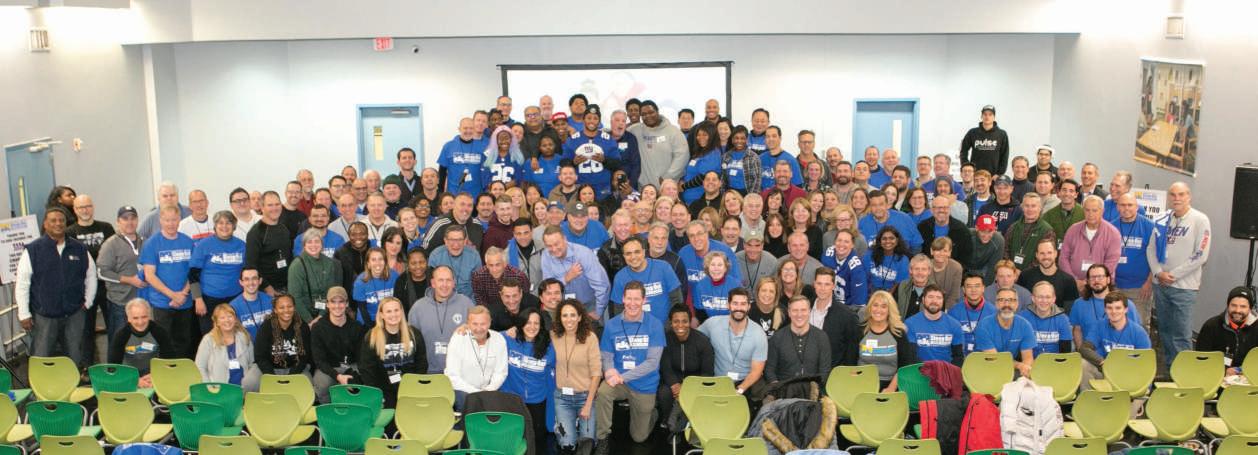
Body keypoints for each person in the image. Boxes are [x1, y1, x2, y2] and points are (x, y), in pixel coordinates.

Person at [16, 207, 97, 367]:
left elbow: (91, 276)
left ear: (66, 223)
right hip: (44, 315)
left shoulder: (80, 249)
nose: (58, 224)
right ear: (45, 224)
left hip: (74, 313)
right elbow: (22, 283)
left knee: (74, 357)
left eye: (61, 220)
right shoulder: (33, 250)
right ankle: (40, 384)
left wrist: (88, 302)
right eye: (53, 220)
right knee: (42, 358)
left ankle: (74, 382)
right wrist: (23, 313)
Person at [594, 281, 666, 452]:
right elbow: (606, 354)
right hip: (619, 382)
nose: (632, 303)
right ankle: (602, 437)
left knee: (639, 437)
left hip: (644, 384)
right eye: (629, 299)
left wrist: (622, 376)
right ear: (623, 299)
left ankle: (653, 413)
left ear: (644, 300)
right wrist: (609, 370)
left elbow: (652, 363)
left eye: (637, 299)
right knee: (603, 392)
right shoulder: (612, 324)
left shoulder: (655, 325)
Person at [1150, 182, 1211, 369]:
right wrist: (1159, 273)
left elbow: (1201, 255)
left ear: (1189, 196)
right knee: (1165, 331)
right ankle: (1170, 370)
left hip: (1184, 288)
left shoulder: (1200, 220)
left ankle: (1184, 375)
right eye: (1173, 194)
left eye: (1181, 194)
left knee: (1182, 335)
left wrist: (1172, 275)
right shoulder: (1162, 219)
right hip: (1161, 285)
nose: (1177, 198)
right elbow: (1150, 249)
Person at [140, 204, 198, 358]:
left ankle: (182, 370)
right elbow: (149, 275)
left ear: (179, 220)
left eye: (174, 220)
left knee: (184, 342)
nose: (171, 224)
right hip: (162, 303)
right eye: (167, 220)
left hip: (185, 302)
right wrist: (173, 295)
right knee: (163, 342)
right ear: (161, 220)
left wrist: (183, 294)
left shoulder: (188, 242)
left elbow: (193, 272)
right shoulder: (152, 243)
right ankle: (165, 370)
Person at [67, 194, 115, 361]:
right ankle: (87, 365)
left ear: (93, 207)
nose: (85, 210)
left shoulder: (106, 228)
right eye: (80, 207)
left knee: (114, 327)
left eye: (87, 206)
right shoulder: (70, 232)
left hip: (107, 286)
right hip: (85, 288)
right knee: (86, 329)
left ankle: (115, 363)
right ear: (75, 210)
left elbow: (114, 254)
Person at [698, 287, 768, 401]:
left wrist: (739, 390)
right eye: (735, 303)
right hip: (717, 382)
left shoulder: (758, 334)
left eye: (743, 304)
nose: (739, 308)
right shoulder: (712, 324)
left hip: (745, 384)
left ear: (749, 306)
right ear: (728, 305)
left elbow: (756, 371)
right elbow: (694, 339)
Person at [551, 299, 602, 452]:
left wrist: (588, 404)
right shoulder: (553, 336)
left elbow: (596, 373)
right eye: (564, 315)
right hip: (562, 398)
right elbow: (530, 334)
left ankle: (583, 426)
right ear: (560, 318)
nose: (569, 319)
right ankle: (564, 426)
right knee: (567, 444)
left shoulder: (590, 338)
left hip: (585, 397)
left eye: (573, 315)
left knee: (587, 443)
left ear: (580, 317)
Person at [499, 308, 553, 451]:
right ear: (521, 324)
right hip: (512, 399)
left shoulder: (549, 346)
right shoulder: (508, 339)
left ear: (541, 326)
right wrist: (465, 327)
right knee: (512, 438)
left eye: (536, 323)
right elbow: (484, 333)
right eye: (528, 322)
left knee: (538, 438)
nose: (532, 327)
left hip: (537, 400)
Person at [360, 297, 427, 407]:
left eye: (396, 310)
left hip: (411, 390)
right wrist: (376, 395)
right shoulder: (372, 337)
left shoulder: (414, 334)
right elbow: (367, 370)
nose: (393, 314)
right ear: (381, 315)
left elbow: (422, 363)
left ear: (401, 312)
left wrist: (416, 388)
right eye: (389, 311)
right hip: (384, 392)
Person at [188, 211, 246, 335]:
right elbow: (193, 274)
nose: (224, 226)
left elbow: (246, 272)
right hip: (209, 300)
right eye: (220, 223)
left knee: (234, 334)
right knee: (211, 337)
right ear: (215, 225)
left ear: (234, 226)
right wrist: (198, 299)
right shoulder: (203, 245)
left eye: (228, 223)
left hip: (235, 299)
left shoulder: (242, 245)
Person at [96, 205, 147, 347]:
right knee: (118, 342)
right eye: (125, 219)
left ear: (137, 220)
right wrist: (129, 280)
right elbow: (101, 272)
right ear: (118, 222)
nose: (130, 222)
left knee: (141, 343)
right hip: (120, 303)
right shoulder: (111, 244)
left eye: (133, 218)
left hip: (143, 301)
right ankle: (116, 363)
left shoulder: (145, 241)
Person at [408, 266, 474, 373]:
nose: (444, 284)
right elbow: (411, 343)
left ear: (454, 283)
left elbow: (478, 335)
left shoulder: (466, 304)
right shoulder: (418, 308)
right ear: (433, 283)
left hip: (460, 372)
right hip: (427, 372)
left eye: (448, 280)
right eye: (440, 280)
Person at [659, 304, 714, 425]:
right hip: (674, 380)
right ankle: (668, 421)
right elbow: (665, 367)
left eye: (684, 321)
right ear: (671, 323)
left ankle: (692, 421)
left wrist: (688, 386)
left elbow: (707, 372)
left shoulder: (702, 341)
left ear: (690, 322)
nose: (680, 325)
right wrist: (674, 385)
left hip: (695, 381)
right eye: (676, 321)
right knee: (664, 393)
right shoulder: (665, 339)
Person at [1080, 292, 1152, 386]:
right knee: (1083, 364)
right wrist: (1102, 362)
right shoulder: (1100, 325)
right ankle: (1089, 395)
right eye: (1109, 308)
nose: (1113, 312)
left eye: (1118, 308)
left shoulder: (1139, 332)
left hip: (1130, 375)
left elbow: (1146, 363)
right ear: (1105, 309)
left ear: (1126, 309)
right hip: (1106, 372)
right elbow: (1084, 348)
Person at [541, 225, 609, 322]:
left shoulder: (583, 254)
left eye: (556, 244)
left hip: (588, 308)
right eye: (549, 246)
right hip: (561, 308)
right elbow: (548, 287)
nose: (554, 249)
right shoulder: (546, 256)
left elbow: (602, 285)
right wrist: (566, 278)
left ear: (565, 239)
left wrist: (598, 312)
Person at [445, 305, 508, 408]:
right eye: (475, 324)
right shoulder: (458, 338)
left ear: (490, 323)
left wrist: (488, 390)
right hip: (463, 393)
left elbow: (501, 372)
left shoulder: (499, 339)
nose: (479, 328)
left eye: (483, 324)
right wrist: (476, 393)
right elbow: (452, 376)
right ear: (468, 323)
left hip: (490, 392)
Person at [308, 287, 364, 403]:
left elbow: (361, 357)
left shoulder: (357, 327)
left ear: (347, 303)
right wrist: (338, 376)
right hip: (328, 368)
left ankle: (354, 409)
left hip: (351, 365)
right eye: (333, 302)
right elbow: (319, 360)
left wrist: (353, 374)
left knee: (359, 382)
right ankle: (328, 409)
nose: (337, 306)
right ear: (327, 304)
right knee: (323, 384)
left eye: (341, 301)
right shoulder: (318, 328)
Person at [610, 236, 682, 326]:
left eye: (637, 252)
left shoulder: (664, 268)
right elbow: (619, 310)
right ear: (624, 256)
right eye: (628, 254)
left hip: (665, 328)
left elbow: (677, 300)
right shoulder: (620, 277)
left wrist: (669, 325)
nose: (633, 257)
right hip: (636, 330)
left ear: (644, 252)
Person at [1112, 194, 1159, 326]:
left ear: (1137, 207)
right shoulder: (1111, 227)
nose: (1126, 208)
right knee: (1115, 324)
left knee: (1139, 325)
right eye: (1123, 205)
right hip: (1115, 286)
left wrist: (1149, 283)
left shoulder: (1149, 227)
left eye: (1130, 205)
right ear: (1117, 207)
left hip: (1140, 288)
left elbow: (1156, 258)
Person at [1069, 264, 1142, 349]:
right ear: (1088, 281)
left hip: (1119, 353)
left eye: (1100, 277)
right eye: (1092, 278)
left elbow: (1136, 333)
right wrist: (1082, 351)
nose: (1096, 280)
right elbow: (1077, 329)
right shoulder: (1079, 304)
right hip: (1090, 353)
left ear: (1108, 279)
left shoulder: (1126, 304)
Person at [108, 298, 175, 387]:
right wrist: (134, 379)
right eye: (135, 318)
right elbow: (112, 367)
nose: (140, 322)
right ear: (128, 318)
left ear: (149, 316)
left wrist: (156, 375)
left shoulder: (159, 332)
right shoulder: (121, 335)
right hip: (128, 375)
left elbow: (170, 361)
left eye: (144, 317)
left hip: (153, 374)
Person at [859, 291, 918, 391]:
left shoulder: (898, 333)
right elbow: (850, 363)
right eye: (875, 305)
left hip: (891, 385)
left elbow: (905, 365)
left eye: (884, 306)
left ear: (890, 310)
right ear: (869, 307)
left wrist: (891, 389)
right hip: (862, 385)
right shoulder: (859, 330)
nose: (878, 310)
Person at [765, 295, 831, 384]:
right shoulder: (777, 337)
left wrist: (814, 389)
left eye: (803, 310)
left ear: (809, 311)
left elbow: (825, 371)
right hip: (784, 389)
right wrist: (778, 388)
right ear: (789, 312)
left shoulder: (821, 337)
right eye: (795, 310)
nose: (799, 314)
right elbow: (769, 370)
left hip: (812, 389)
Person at [1060, 196, 1122, 289]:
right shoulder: (1073, 230)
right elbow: (1063, 258)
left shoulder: (1113, 233)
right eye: (1087, 210)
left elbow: (1111, 263)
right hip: (1073, 285)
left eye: (1094, 210)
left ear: (1102, 211)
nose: (1090, 214)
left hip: (1100, 287)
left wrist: (1091, 282)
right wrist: (1074, 281)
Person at [195, 303, 260, 391]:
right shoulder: (208, 340)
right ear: (217, 322)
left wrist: (249, 384)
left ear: (235, 319)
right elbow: (200, 367)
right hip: (218, 391)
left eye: (230, 316)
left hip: (243, 390)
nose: (227, 320)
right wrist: (210, 388)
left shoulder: (244, 336)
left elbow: (252, 364)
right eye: (222, 318)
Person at [974, 287, 1037, 377]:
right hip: (986, 369)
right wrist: (1019, 365)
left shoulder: (1025, 325)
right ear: (996, 304)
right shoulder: (984, 325)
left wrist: (1025, 369)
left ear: (1017, 304)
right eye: (1002, 300)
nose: (1006, 304)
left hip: (1011, 369)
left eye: (1011, 300)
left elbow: (1028, 358)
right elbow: (995, 359)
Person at [1195, 287, 1257, 376]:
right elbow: (1200, 358)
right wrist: (1224, 371)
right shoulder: (1211, 326)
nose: (1237, 310)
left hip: (1250, 376)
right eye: (1233, 305)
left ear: (1250, 308)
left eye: (1243, 306)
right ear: (1228, 305)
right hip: (1215, 376)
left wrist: (1243, 370)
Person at [287, 227, 343, 322]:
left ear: (322, 244)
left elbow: (331, 293)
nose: (313, 245)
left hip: (326, 312)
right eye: (309, 242)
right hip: (304, 315)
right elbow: (295, 297)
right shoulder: (297, 265)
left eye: (317, 241)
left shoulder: (329, 263)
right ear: (304, 245)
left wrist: (321, 316)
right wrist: (309, 320)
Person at [628, 100, 688, 188]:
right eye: (644, 114)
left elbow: (682, 157)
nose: (648, 116)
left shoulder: (674, 132)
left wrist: (668, 176)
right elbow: (620, 135)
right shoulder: (635, 130)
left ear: (657, 112)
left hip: (667, 187)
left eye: (651, 112)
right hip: (644, 189)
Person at [904, 284, 965, 365]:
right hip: (919, 370)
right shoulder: (910, 324)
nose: (934, 301)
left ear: (943, 301)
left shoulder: (955, 325)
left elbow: (958, 357)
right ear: (923, 300)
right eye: (930, 297)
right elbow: (910, 357)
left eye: (938, 298)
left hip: (945, 370)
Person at [254, 294, 312, 377]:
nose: (286, 310)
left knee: (307, 382)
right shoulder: (266, 327)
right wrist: (271, 376)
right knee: (249, 382)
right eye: (281, 307)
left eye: (290, 306)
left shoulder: (302, 326)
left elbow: (305, 356)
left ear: (294, 307)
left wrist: (292, 375)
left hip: (296, 369)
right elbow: (260, 356)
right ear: (275, 310)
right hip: (270, 369)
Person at [1017, 238, 1081, 309]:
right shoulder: (1025, 276)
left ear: (1056, 254)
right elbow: (1019, 304)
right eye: (1042, 253)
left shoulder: (1068, 281)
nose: (1046, 257)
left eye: (1049, 253)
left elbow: (1069, 310)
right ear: (1037, 255)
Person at [858, 190, 924, 252]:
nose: (878, 208)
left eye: (881, 204)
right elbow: (859, 249)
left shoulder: (905, 219)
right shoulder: (863, 223)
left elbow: (917, 246)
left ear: (887, 205)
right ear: (869, 207)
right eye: (874, 205)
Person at [1020, 281, 1074, 356]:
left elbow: (1065, 352)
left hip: (1055, 361)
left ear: (1054, 299)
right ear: (1033, 298)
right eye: (1040, 297)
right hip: (1029, 361)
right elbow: (1018, 348)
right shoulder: (1022, 317)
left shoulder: (1063, 319)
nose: (1044, 301)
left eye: (1048, 297)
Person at [948, 272, 996, 355]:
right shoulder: (953, 312)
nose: (973, 290)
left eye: (977, 286)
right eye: (969, 286)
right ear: (963, 290)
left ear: (983, 288)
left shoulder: (994, 312)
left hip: (986, 357)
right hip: (960, 357)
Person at [918, 194, 974, 266]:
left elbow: (967, 258)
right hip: (927, 269)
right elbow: (919, 253)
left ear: (949, 210)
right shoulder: (922, 227)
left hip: (953, 270)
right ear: (931, 210)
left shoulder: (962, 230)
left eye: (945, 207)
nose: (941, 210)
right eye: (938, 207)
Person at [438, 118, 487, 198]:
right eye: (465, 128)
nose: (468, 131)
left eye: (471, 128)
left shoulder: (483, 147)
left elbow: (487, 171)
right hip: (454, 194)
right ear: (459, 129)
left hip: (476, 195)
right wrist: (440, 193)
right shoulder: (448, 146)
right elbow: (442, 172)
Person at [1005, 193, 1056, 269]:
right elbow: (1005, 251)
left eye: (1033, 206)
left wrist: (1025, 273)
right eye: (1027, 206)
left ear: (1040, 208)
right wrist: (1011, 270)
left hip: (1034, 274)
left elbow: (1045, 256)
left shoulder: (1047, 230)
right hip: (1012, 273)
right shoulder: (1013, 227)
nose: (1030, 209)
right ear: (1022, 207)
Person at [428, 225, 481, 297]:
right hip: (443, 299)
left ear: (465, 241)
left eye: (460, 239)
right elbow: (432, 287)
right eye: (452, 240)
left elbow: (478, 287)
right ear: (445, 241)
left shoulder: (474, 255)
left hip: (468, 299)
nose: (456, 244)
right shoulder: (435, 256)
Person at [958, 105, 1009, 176]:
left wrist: (999, 173)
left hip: (993, 176)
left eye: (990, 114)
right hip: (975, 174)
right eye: (985, 114)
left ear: (994, 117)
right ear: (981, 116)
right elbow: (963, 150)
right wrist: (967, 167)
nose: (987, 117)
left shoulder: (1002, 134)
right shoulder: (972, 132)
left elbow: (1004, 155)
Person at [353, 248, 399, 325]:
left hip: (389, 318)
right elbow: (362, 309)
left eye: (380, 259)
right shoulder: (360, 282)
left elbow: (398, 302)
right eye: (373, 260)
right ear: (368, 264)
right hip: (367, 320)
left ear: (385, 262)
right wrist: (372, 327)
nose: (378, 263)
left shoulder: (394, 276)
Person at [692, 252, 742, 323]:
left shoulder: (736, 285)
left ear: (725, 268)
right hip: (708, 324)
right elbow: (700, 312)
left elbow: (739, 310)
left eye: (720, 265)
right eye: (712, 265)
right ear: (707, 267)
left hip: (731, 324)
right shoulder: (700, 286)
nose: (716, 268)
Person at [228, 268, 272, 339]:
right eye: (246, 279)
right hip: (246, 345)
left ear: (260, 281)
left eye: (254, 278)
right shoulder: (233, 307)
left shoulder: (271, 301)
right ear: (241, 282)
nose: (251, 283)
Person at [865, 226, 911, 292]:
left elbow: (899, 284)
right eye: (884, 239)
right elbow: (864, 277)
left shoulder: (903, 259)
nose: (888, 241)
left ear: (897, 241)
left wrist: (888, 295)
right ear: (879, 241)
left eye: (891, 238)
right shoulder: (869, 255)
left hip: (892, 291)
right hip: (871, 290)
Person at [892, 254, 936, 319]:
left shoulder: (936, 291)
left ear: (929, 271)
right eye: (916, 269)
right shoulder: (901, 286)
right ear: (910, 270)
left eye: (924, 269)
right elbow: (892, 310)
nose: (920, 272)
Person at [722, 126, 762, 195]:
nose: (739, 141)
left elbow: (757, 180)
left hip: (747, 193)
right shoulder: (726, 156)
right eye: (736, 138)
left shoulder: (753, 157)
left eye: (742, 138)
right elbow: (723, 178)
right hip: (730, 193)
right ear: (732, 139)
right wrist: (723, 194)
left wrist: (751, 197)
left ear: (747, 140)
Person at [969, 214, 1006, 284]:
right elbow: (959, 261)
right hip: (967, 266)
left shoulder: (999, 241)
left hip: (984, 269)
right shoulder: (966, 236)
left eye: (990, 231)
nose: (986, 235)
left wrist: (985, 287)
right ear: (976, 228)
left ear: (995, 229)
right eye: (983, 231)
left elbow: (993, 268)